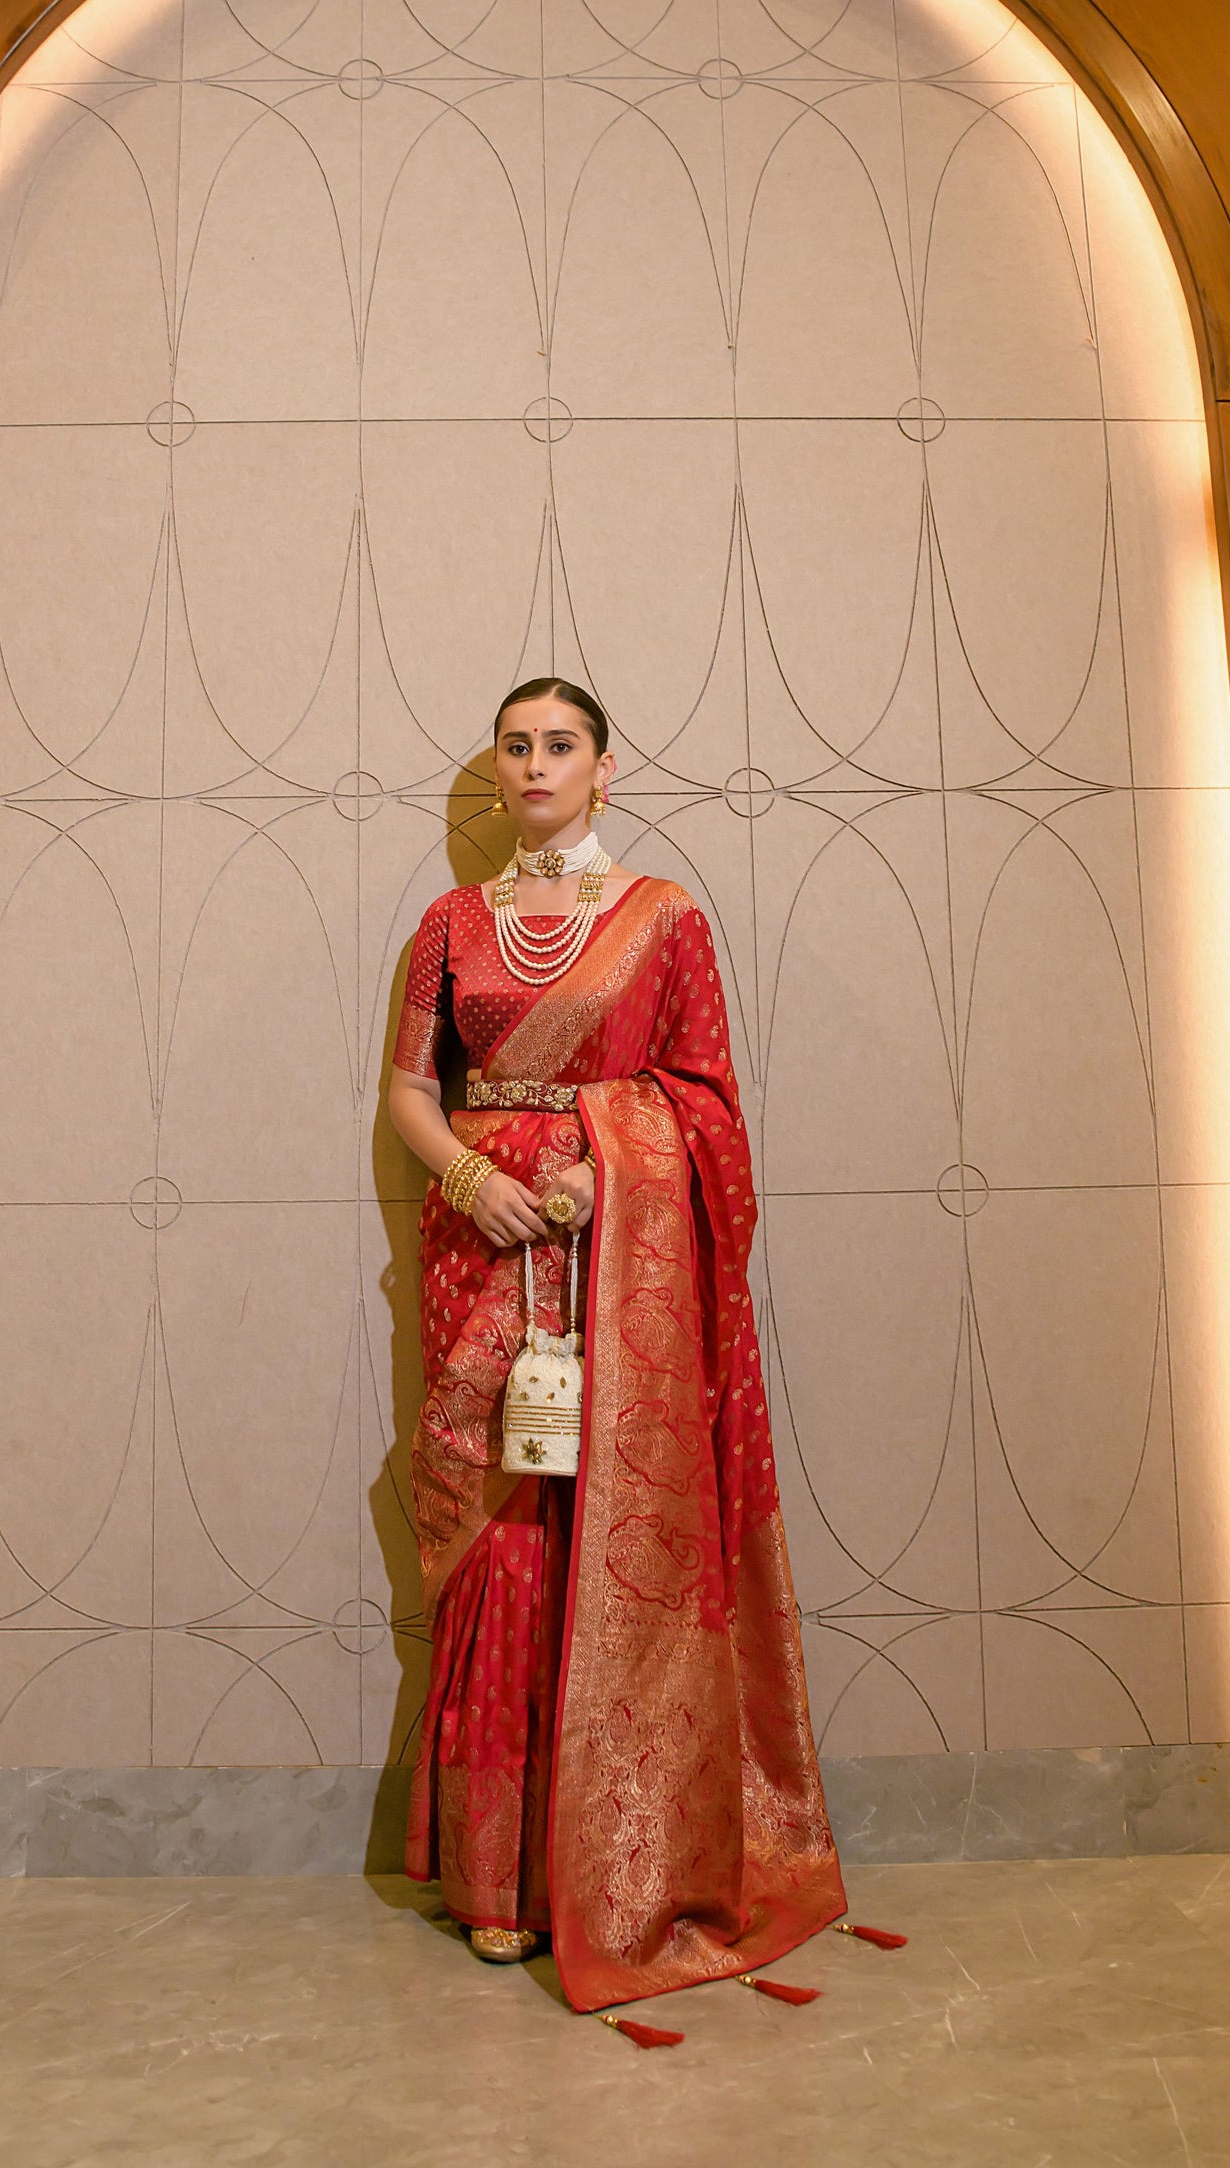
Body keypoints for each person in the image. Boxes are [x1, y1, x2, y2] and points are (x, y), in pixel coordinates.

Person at [385, 676, 845, 2015]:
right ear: (497, 768)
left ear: (603, 766)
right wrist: (475, 1181)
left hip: (615, 1253)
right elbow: (410, 1091)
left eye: (560, 744)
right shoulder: (449, 926)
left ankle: (622, 1871)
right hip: (483, 1247)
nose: (535, 764)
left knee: (613, 1533)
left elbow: (704, 1099)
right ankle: (501, 1883)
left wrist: (609, 1176)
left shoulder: (663, 916)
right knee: (504, 1532)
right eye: (514, 746)